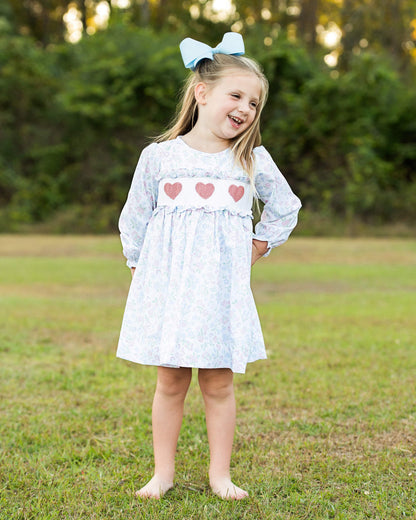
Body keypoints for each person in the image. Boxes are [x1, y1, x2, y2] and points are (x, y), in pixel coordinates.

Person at [116, 32, 301, 500]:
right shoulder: (160, 157)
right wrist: (141, 270)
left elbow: (286, 206)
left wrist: (258, 246)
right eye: (236, 95)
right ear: (202, 93)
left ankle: (220, 475)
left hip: (221, 290)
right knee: (171, 379)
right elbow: (134, 218)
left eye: (255, 103)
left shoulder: (250, 159)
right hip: (172, 289)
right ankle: (163, 474)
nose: (245, 108)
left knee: (218, 383)